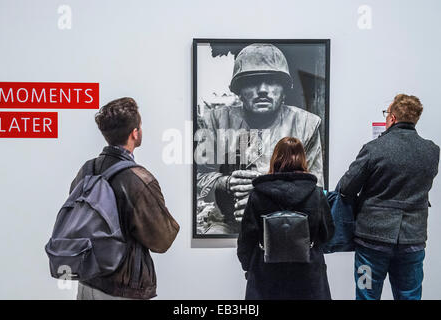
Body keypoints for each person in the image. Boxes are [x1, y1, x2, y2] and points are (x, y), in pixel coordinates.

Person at [197, 43, 324, 234]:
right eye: (252, 81)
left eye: (272, 81)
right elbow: (198, 178)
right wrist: (227, 184)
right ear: (239, 90)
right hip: (229, 220)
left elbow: (315, 188)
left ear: (283, 89)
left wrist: (266, 195)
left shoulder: (306, 124)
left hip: (283, 221)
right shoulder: (216, 121)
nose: (263, 90)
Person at [71, 97, 180, 300]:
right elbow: (162, 240)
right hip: (123, 289)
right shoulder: (139, 179)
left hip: (87, 283)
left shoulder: (87, 169)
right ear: (135, 133)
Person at [338, 94, 440, 300]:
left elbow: (346, 187)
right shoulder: (432, 151)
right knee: (410, 296)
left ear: (392, 118)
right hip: (413, 240)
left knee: (366, 294)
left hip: (371, 241)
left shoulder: (374, 149)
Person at [237, 137, 334, 300]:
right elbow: (327, 233)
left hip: (266, 277)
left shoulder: (258, 194)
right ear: (302, 159)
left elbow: (246, 238)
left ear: (275, 158)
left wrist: (248, 267)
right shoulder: (315, 194)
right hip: (308, 277)